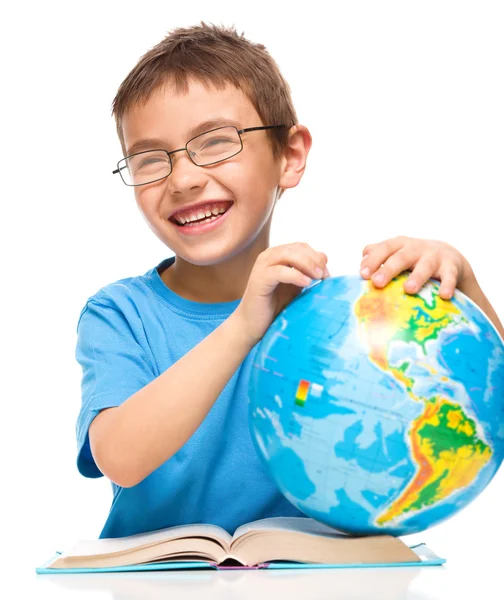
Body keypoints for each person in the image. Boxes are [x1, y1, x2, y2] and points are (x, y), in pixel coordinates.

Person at [75, 22, 504, 539]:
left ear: (290, 156)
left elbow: (485, 424)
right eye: (149, 160)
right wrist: (242, 327)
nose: (183, 179)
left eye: (215, 143)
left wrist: (467, 293)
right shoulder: (120, 313)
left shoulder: (342, 318)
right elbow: (120, 458)